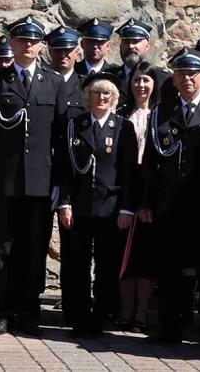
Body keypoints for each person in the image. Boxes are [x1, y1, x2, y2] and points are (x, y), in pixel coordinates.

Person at [0, 16, 66, 337]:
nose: (28, 45)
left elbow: (60, 138)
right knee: (3, 248)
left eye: (34, 41)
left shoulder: (53, 82)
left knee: (34, 249)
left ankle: (29, 312)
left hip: (41, 182)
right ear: (12, 43)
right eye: (22, 40)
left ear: (41, 46)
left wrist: (59, 182)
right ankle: (4, 311)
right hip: (6, 180)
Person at [148, 47, 200, 344]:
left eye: (193, 74)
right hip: (170, 203)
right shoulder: (162, 112)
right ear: (174, 78)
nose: (187, 79)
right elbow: (151, 162)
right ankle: (170, 326)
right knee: (170, 268)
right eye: (181, 74)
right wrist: (147, 201)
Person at [56, 78, 139, 338]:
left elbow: (129, 171)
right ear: (88, 97)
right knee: (77, 264)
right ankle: (79, 315)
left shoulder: (123, 127)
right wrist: (64, 202)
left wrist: (127, 208)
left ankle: (100, 316)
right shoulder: (75, 125)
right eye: (96, 93)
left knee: (107, 265)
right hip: (79, 207)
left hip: (110, 208)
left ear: (113, 98)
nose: (101, 98)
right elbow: (65, 168)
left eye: (106, 94)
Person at [117, 68, 160, 333]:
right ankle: (125, 309)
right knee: (124, 254)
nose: (141, 85)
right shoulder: (122, 114)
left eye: (146, 80)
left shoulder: (160, 115)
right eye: (136, 80)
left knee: (145, 256)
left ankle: (141, 312)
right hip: (123, 188)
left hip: (150, 191)